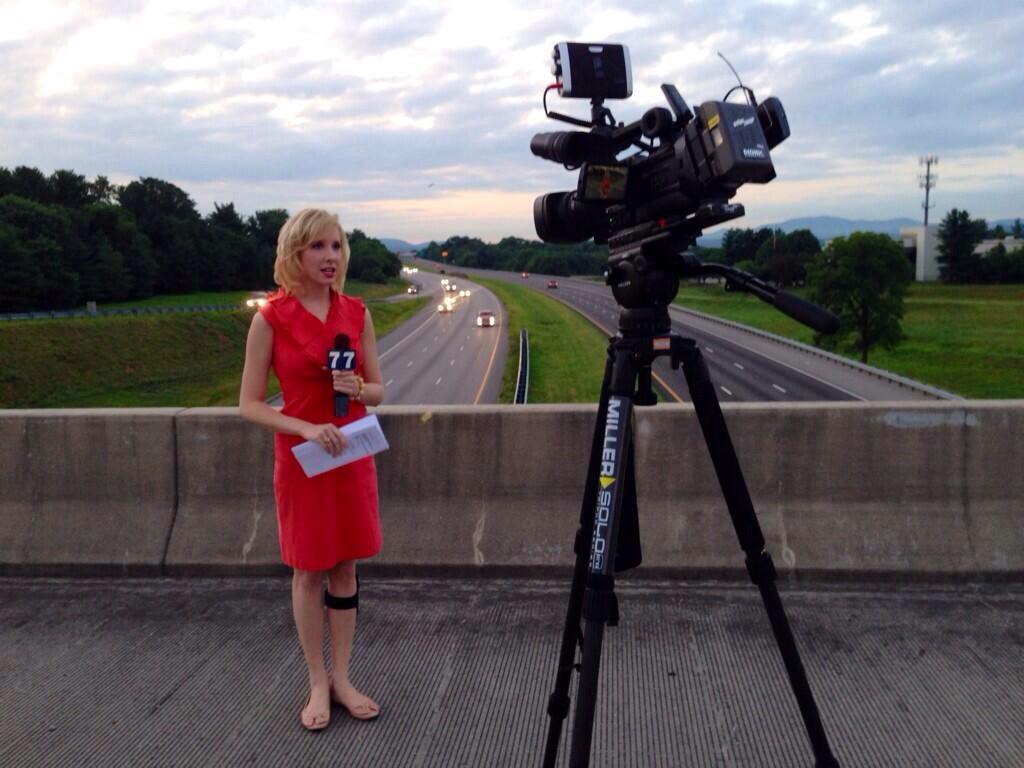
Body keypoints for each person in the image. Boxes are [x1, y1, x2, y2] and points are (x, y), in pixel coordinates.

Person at [239, 208, 384, 731]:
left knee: (346, 565)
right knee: (308, 569)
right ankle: (316, 680)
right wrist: (300, 427)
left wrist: (358, 390)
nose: (330, 257)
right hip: (303, 458)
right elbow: (249, 404)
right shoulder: (270, 319)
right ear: (294, 254)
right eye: (318, 247)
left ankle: (343, 677)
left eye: (337, 246)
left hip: (350, 452)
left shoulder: (356, 312)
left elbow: (379, 390)